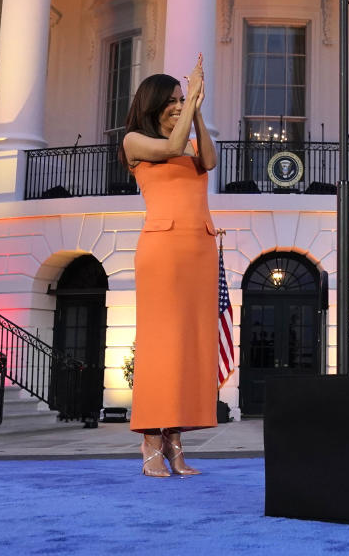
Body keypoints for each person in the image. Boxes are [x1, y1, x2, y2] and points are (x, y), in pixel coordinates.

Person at [122, 54, 218, 477]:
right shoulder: (135, 142)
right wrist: (193, 100)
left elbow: (208, 161)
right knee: (162, 345)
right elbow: (173, 147)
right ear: (154, 104)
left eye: (182, 98)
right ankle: (150, 439)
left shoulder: (190, 139)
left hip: (199, 247)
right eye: (174, 100)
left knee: (192, 346)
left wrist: (198, 112)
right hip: (162, 250)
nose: (179, 104)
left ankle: (176, 442)